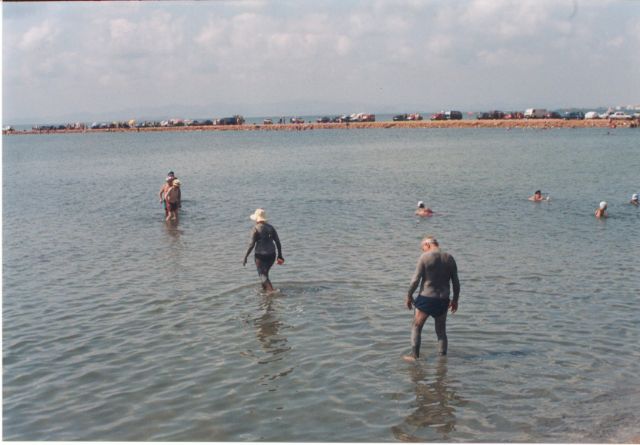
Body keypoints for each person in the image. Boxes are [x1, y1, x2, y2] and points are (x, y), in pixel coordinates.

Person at [404, 236, 460, 362]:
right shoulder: (449, 258)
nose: (423, 251)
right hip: (443, 300)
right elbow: (456, 282)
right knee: (441, 332)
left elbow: (415, 280)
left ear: (427, 245)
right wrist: (455, 300)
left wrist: (408, 296)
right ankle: (442, 359)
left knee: (416, 326)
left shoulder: (425, 257)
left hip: (427, 298)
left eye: (422, 248)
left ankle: (414, 356)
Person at [243, 209, 285, 292]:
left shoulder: (256, 228)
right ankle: (265, 293)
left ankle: (271, 292)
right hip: (272, 255)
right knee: (265, 274)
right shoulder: (271, 227)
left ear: (256, 219)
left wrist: (245, 256)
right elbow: (277, 242)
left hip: (260, 256)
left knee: (262, 275)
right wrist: (280, 255)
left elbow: (251, 244)